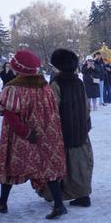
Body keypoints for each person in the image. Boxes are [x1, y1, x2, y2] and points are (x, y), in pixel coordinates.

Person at [0, 50, 68, 219]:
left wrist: (25, 131)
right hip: (45, 133)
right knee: (47, 166)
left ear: (17, 68)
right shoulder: (44, 86)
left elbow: (9, 112)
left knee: (10, 166)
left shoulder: (13, 88)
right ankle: (59, 204)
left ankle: (2, 202)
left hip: (21, 136)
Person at [41, 49, 94, 207]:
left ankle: (59, 194)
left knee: (65, 164)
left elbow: (52, 109)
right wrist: (86, 123)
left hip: (63, 131)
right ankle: (83, 195)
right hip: (80, 129)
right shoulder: (78, 82)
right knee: (81, 163)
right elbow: (86, 106)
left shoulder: (56, 84)